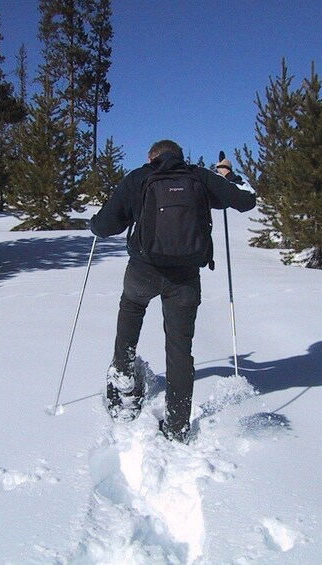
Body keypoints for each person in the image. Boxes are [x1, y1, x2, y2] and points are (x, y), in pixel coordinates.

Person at [89, 139, 256, 442]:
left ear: (152, 157)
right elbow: (246, 200)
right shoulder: (200, 178)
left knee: (131, 307)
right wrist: (227, 177)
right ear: (180, 156)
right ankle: (177, 426)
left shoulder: (139, 178)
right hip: (186, 276)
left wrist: (94, 225)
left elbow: (106, 225)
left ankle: (125, 380)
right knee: (180, 349)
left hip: (144, 269)